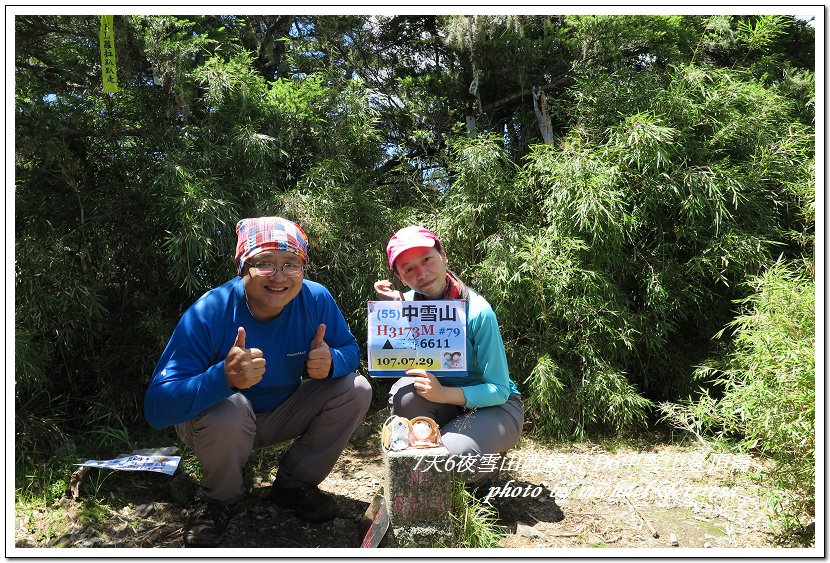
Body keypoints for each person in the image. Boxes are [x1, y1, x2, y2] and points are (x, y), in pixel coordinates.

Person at [145, 216, 372, 547]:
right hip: (219, 424)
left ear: (303, 268)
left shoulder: (316, 299)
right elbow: (157, 407)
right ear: (242, 267)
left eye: (291, 264)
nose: (279, 276)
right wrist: (222, 376)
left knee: (357, 389)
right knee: (230, 409)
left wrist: (332, 362)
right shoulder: (210, 311)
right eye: (264, 263)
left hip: (281, 413)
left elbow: (349, 349)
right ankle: (223, 501)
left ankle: (294, 485)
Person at [374, 226, 523, 490]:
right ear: (399, 277)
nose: (421, 272)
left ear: (444, 256)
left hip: (495, 406)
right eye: (408, 269)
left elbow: (499, 389)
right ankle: (440, 463)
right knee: (404, 394)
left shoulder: (478, 311)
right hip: (443, 403)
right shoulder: (404, 303)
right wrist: (394, 312)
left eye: (427, 259)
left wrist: (443, 394)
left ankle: (482, 464)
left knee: (447, 460)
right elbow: (402, 364)